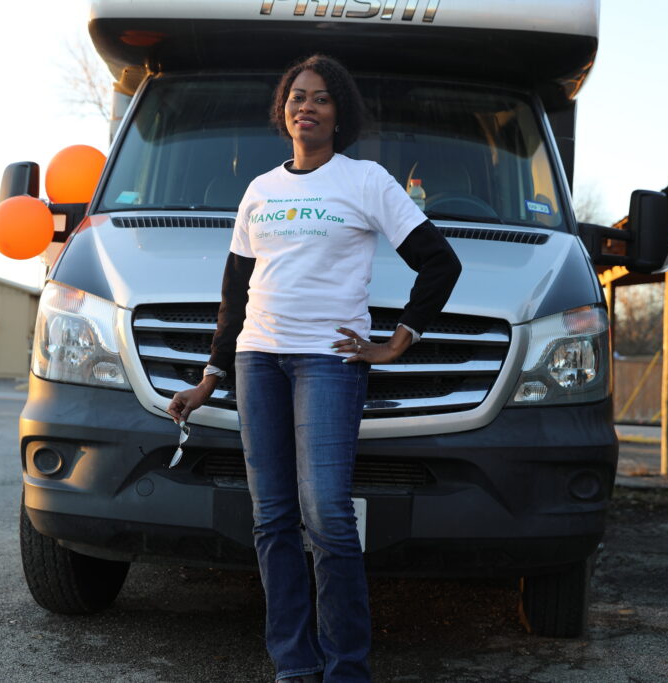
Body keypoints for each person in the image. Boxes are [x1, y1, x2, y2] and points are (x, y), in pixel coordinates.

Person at [168, 54, 462, 683]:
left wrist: (397, 340)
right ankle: (294, 666)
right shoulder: (260, 191)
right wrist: (209, 379)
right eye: (297, 96)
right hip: (258, 361)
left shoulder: (366, 181)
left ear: (340, 114)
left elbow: (440, 263)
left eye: (322, 98)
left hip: (329, 364)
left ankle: (347, 667)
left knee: (326, 512)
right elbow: (235, 295)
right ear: (284, 109)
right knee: (271, 518)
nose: (307, 106)